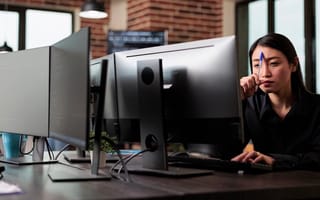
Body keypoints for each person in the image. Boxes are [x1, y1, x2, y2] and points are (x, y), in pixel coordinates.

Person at [231, 33, 320, 171]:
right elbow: (225, 152)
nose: (265, 73)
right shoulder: (250, 105)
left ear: (293, 65)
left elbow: (317, 158)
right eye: (257, 65)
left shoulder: (317, 107)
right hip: (264, 185)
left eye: (274, 63)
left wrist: (275, 161)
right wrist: (235, 101)